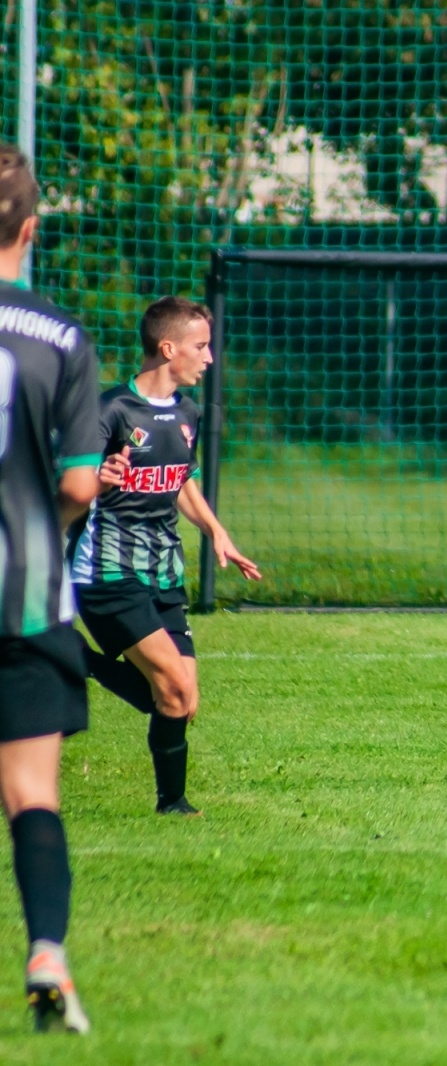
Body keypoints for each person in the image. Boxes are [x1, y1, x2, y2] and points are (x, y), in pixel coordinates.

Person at [68, 296, 260, 817]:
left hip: (163, 572)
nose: (210, 357)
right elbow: (68, 482)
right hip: (107, 572)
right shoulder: (110, 410)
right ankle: (76, 657)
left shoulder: (187, 412)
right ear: (167, 347)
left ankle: (170, 805)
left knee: (181, 701)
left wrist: (217, 532)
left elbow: (182, 480)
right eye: (201, 346)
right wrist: (97, 480)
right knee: (171, 685)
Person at [0, 146, 104, 1033]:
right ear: (30, 230)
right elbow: (77, 484)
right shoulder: (63, 336)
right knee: (33, 793)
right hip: (25, 595)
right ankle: (47, 955)